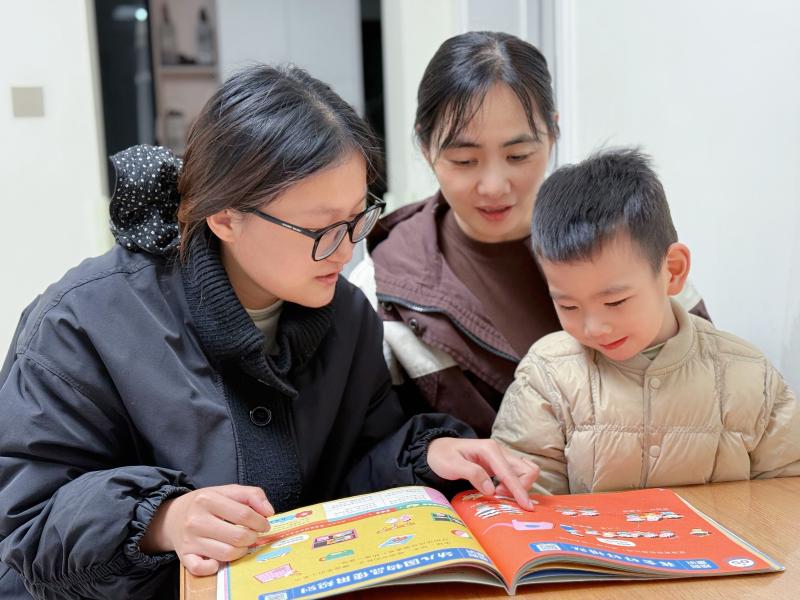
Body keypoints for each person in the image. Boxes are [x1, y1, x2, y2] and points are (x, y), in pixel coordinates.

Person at [0, 65, 537, 599]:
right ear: (224, 217)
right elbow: (24, 524)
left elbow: (355, 469)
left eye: (358, 217)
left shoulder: (346, 313)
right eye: (321, 228)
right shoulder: (82, 320)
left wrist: (426, 456)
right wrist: (163, 520)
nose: (346, 250)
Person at [349, 31, 709, 438]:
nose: (494, 186)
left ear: (552, 133)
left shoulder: (625, 237)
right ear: (425, 145)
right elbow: (374, 452)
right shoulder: (384, 288)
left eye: (518, 155)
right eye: (464, 160)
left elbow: (715, 388)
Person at [492, 148, 800, 494]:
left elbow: (788, 495)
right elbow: (523, 495)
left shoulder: (750, 377)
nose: (593, 327)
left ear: (673, 271)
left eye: (615, 302)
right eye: (569, 306)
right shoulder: (547, 375)